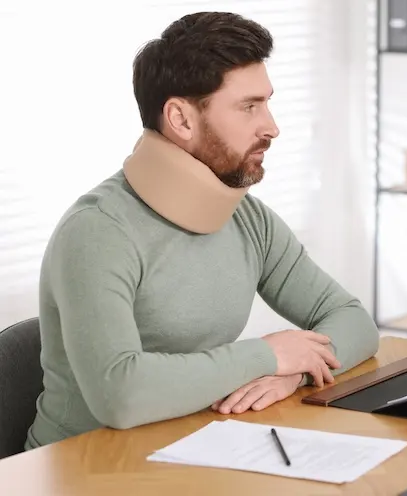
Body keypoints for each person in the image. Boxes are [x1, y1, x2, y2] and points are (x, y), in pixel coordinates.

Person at [25, 12, 379, 450]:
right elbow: (121, 395)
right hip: (78, 469)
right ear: (181, 119)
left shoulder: (249, 221)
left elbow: (355, 321)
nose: (271, 126)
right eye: (249, 106)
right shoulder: (97, 232)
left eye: (267, 103)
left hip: (189, 449)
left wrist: (296, 371)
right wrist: (268, 354)